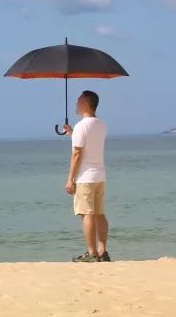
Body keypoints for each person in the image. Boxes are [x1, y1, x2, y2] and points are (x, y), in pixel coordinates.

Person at [63, 90, 110, 263]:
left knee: (86, 214)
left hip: (85, 178)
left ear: (85, 103)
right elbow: (88, 143)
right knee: (99, 214)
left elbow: (77, 154)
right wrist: (71, 133)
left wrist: (70, 179)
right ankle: (102, 251)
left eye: (78, 101)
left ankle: (91, 253)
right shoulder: (101, 125)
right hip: (99, 176)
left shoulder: (82, 126)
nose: (76, 103)